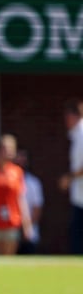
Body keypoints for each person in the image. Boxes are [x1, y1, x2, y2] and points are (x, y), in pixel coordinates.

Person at [58, 99, 83, 254]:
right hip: (79, 195)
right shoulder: (76, 134)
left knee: (77, 235)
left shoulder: (82, 133)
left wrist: (69, 177)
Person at [14, 148, 44, 254]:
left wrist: (26, 227)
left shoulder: (34, 183)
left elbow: (37, 209)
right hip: (11, 232)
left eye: (23, 159)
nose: (20, 162)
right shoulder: (10, 180)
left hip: (29, 234)